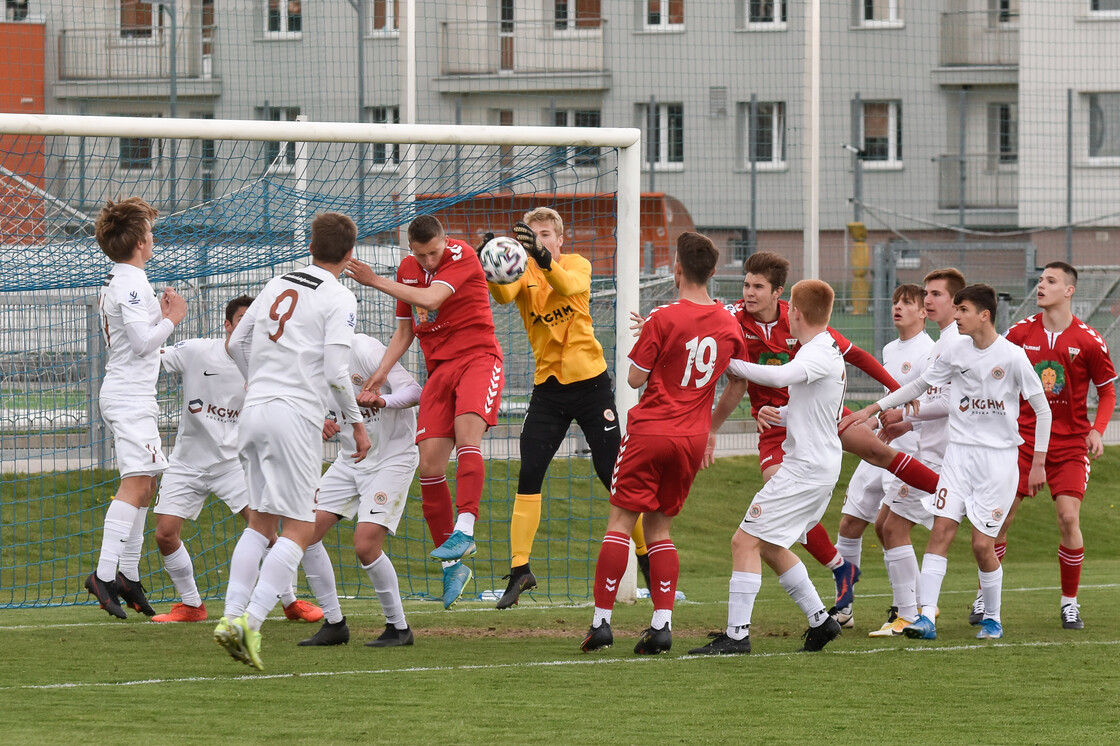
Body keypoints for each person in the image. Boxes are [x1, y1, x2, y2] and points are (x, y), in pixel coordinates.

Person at [706, 252, 941, 622]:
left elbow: (857, 356)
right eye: (746, 285)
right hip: (777, 422)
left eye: (757, 287)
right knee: (781, 496)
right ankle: (838, 568)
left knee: (879, 453)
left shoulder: (806, 321)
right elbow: (703, 322)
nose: (749, 293)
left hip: (820, 413)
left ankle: (948, 494)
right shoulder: (734, 320)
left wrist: (899, 392)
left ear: (779, 294)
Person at [841, 284, 1052, 641]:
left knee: (982, 546)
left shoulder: (1013, 357)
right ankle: (926, 618)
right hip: (958, 456)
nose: (956, 316)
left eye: (963, 310)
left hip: (998, 462)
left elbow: (1042, 410)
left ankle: (993, 618)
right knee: (941, 532)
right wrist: (874, 408)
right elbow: (921, 386)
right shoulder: (955, 350)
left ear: (984, 315)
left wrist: (1039, 464)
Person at [214, 212, 369, 671]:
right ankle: (250, 624)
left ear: (310, 245)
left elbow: (235, 343)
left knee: (259, 523)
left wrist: (258, 381)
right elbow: (337, 372)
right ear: (349, 252)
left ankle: (229, 618)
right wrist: (355, 423)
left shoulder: (276, 281)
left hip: (255, 410)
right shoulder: (340, 296)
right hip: (292, 414)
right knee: (299, 528)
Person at [580, 232, 746, 655]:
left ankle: (601, 622)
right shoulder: (730, 322)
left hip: (652, 431)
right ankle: (661, 625)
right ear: (712, 272)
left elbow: (635, 378)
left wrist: (652, 340)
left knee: (620, 523)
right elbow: (739, 380)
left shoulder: (663, 316)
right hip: (691, 439)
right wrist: (711, 426)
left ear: (676, 269)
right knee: (661, 530)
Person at [485, 208, 648, 610]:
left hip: (591, 385)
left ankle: (646, 556)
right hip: (549, 391)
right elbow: (504, 293)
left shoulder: (576, 264)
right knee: (530, 473)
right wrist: (491, 259)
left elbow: (567, 282)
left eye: (545, 235)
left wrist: (540, 258)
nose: (538, 241)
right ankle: (520, 569)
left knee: (614, 477)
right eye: (532, 235)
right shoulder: (523, 272)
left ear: (559, 239)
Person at [344, 215, 503, 609]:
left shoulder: (462, 254)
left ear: (444, 241)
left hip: (478, 360)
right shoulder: (407, 269)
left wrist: (374, 281)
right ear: (410, 250)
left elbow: (433, 300)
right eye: (420, 255)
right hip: (440, 371)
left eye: (433, 252)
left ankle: (465, 528)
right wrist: (378, 377)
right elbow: (404, 332)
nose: (429, 261)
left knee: (468, 439)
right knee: (430, 466)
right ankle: (453, 566)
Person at [689, 279, 846, 656]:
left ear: (796, 312)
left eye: (790, 309)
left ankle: (737, 636)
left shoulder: (817, 353)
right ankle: (821, 621)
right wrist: (781, 414)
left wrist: (725, 361)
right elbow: (820, 409)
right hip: (814, 466)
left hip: (805, 470)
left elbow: (777, 376)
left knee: (743, 541)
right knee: (772, 545)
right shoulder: (822, 350)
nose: (787, 316)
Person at [151, 295, 323, 625]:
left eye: (253, 322)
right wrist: (157, 320)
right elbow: (150, 355)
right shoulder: (197, 351)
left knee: (267, 531)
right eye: (240, 320)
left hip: (234, 464)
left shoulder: (266, 366)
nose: (248, 327)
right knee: (165, 533)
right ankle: (191, 605)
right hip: (187, 462)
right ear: (227, 325)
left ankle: (290, 601)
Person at [995, 262, 1116, 630]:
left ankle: (1069, 604)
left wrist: (1097, 430)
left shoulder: (1088, 340)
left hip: (1069, 446)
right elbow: (993, 370)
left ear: (1069, 290)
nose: (1040, 286)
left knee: (1068, 518)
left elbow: (1107, 390)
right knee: (1000, 520)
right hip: (1022, 442)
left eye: (1050, 281)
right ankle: (987, 596)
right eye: (1040, 280)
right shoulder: (1019, 333)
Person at [86, 197, 186, 619]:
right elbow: (145, 343)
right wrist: (173, 318)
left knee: (146, 486)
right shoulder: (130, 283)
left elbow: (140, 341)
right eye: (149, 230)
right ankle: (104, 575)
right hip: (127, 396)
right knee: (134, 484)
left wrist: (159, 320)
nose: (153, 235)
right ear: (140, 240)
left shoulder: (130, 280)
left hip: (135, 394)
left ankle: (127, 574)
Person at [296, 332, 422, 648]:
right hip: (350, 458)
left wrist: (382, 399)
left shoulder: (364, 349)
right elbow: (312, 407)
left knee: (365, 545)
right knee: (304, 533)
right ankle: (335, 623)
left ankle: (399, 628)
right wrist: (319, 421)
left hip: (392, 458)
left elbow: (414, 391)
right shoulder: (307, 359)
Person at [831, 283, 933, 630]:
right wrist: (873, 419)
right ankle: (843, 607)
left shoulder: (929, 351)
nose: (898, 308)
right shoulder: (890, 349)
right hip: (879, 444)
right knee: (850, 521)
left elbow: (923, 404)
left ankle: (911, 607)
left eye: (907, 303)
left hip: (909, 447)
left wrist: (904, 422)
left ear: (923, 312)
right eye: (894, 302)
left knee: (890, 527)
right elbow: (891, 398)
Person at [870, 268, 964, 637]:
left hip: (939, 455)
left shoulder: (954, 342)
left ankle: (910, 613)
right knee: (883, 526)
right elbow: (933, 397)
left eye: (936, 294)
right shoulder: (944, 342)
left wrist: (906, 412)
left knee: (893, 528)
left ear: (956, 303)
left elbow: (951, 400)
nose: (928, 300)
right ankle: (912, 606)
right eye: (926, 292)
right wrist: (906, 422)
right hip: (922, 447)